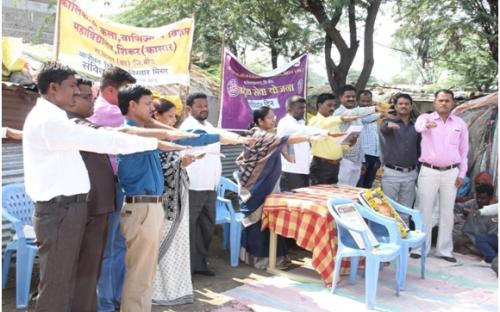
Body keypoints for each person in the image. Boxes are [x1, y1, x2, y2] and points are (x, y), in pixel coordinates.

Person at [22, 62, 185, 312]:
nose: (76, 93)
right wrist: (154, 142)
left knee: (80, 279)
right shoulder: (49, 121)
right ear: (53, 88)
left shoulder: (55, 117)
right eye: (72, 87)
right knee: (58, 283)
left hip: (72, 208)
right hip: (59, 210)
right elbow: (103, 139)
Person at [116, 85, 191, 311]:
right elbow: (165, 135)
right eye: (148, 104)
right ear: (132, 105)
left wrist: (186, 143)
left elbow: (165, 141)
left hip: (149, 207)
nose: (152, 108)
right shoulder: (129, 132)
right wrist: (185, 136)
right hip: (141, 207)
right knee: (140, 274)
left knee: (144, 273)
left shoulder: (141, 132)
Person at [238, 106, 328, 268]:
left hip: (268, 185)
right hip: (257, 187)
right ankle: (261, 260)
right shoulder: (259, 135)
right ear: (260, 121)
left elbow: (288, 153)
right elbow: (288, 140)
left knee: (269, 221)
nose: (274, 120)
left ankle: (272, 258)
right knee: (259, 223)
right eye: (271, 118)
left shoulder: (270, 136)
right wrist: (311, 137)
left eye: (274, 117)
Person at [151, 99, 219, 306]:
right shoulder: (162, 136)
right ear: (156, 116)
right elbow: (161, 168)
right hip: (167, 199)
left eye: (174, 116)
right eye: (170, 116)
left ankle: (185, 276)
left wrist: (182, 162)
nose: (173, 121)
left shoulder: (204, 127)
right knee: (169, 241)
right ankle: (160, 289)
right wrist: (183, 162)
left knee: (201, 230)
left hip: (185, 191)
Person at [179, 92, 254, 276]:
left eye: (205, 105)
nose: (204, 109)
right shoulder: (188, 126)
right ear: (189, 109)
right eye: (199, 106)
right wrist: (240, 139)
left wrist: (242, 138)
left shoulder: (208, 125)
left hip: (210, 186)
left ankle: (199, 264)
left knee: (206, 227)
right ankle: (185, 270)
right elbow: (216, 137)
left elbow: (219, 134)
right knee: (189, 228)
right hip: (193, 185)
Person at [89, 66, 136, 312]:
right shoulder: (108, 111)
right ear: (109, 90)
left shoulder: (109, 108)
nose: (132, 100)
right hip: (109, 186)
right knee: (110, 248)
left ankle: (115, 299)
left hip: (116, 185)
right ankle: (107, 303)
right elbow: (142, 124)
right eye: (127, 92)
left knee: (117, 245)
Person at [414, 89, 469, 262]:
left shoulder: (460, 124)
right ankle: (419, 247)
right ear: (434, 102)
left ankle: (444, 250)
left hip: (451, 172)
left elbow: (464, 150)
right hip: (428, 170)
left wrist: (462, 173)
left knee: (447, 212)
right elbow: (418, 128)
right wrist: (426, 126)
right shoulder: (425, 118)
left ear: (453, 103)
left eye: (447, 100)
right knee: (424, 210)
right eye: (440, 100)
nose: (444, 103)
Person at [333, 85, 384, 186]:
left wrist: (362, 161)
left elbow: (358, 139)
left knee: (353, 193)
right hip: (344, 160)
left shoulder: (357, 117)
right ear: (340, 98)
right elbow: (355, 112)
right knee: (342, 192)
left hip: (356, 161)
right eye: (348, 97)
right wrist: (374, 108)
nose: (351, 99)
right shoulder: (339, 112)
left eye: (353, 96)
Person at [277, 96, 330, 191]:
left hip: (303, 170)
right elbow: (304, 130)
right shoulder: (285, 123)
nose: (303, 111)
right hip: (291, 171)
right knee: (291, 202)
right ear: (289, 109)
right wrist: (326, 132)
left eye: (304, 108)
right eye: (300, 108)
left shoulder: (301, 122)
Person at [380, 93, 420, 210]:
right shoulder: (388, 121)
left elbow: (420, 147)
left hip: (411, 173)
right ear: (396, 107)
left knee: (406, 208)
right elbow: (384, 128)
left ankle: (404, 228)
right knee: (388, 207)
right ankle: (390, 229)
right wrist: (388, 126)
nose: (404, 106)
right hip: (392, 173)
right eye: (401, 104)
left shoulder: (417, 125)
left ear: (411, 107)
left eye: (407, 104)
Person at [309, 93, 358, 185]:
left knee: (331, 196)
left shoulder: (334, 122)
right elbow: (324, 123)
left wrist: (350, 144)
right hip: (321, 166)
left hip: (336, 166)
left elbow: (339, 146)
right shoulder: (314, 121)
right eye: (329, 105)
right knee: (320, 196)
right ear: (319, 105)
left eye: (334, 106)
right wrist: (341, 118)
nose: (332, 108)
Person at [357, 90, 381, 188]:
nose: (366, 104)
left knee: (368, 186)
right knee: (359, 186)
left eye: (368, 101)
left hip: (374, 155)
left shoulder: (373, 115)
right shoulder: (356, 114)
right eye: (363, 101)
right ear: (358, 101)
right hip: (363, 156)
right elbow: (366, 119)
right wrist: (382, 113)